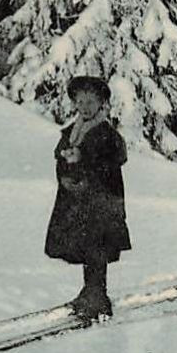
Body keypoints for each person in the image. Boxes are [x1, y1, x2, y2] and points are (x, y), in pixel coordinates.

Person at [45, 75, 132, 320]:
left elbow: (110, 165)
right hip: (78, 202)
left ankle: (98, 296)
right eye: (80, 101)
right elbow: (60, 162)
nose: (84, 107)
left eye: (90, 102)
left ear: (101, 104)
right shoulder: (72, 131)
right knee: (85, 246)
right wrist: (67, 172)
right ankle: (90, 292)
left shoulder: (107, 134)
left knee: (97, 246)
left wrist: (81, 162)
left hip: (102, 202)